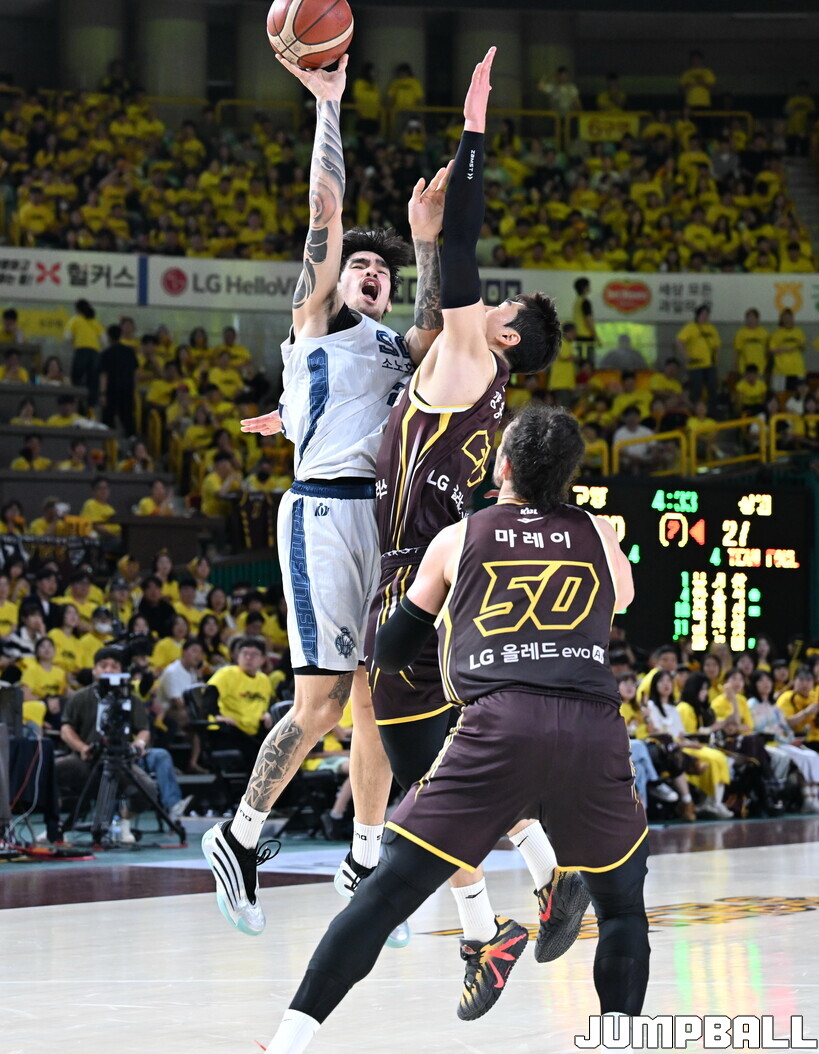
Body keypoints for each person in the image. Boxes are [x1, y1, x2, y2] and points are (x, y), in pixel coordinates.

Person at [263, 401, 648, 1053]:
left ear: (503, 466)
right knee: (621, 910)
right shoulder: (597, 532)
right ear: (568, 476)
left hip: (497, 727)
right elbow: (625, 598)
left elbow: (391, 650)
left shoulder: (459, 536)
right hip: (591, 729)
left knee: (386, 894)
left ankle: (287, 1043)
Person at [344, 46, 579, 983]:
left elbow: (465, 254)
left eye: (498, 303)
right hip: (428, 583)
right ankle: (531, 890)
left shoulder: (473, 360)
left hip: (411, 582)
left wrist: (475, 126)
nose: (484, 301)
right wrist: (421, 234)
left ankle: (505, 914)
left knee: (425, 771)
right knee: (434, 766)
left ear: (508, 331)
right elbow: (440, 295)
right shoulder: (463, 370)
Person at [201, 50, 446, 933]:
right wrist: (329, 105)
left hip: (382, 521)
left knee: (381, 697)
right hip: (320, 514)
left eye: (384, 269)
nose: (372, 272)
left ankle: (365, 859)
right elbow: (324, 212)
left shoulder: (392, 347)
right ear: (335, 278)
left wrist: (425, 240)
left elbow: (433, 330)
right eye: (360, 265)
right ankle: (239, 836)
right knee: (321, 705)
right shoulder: (312, 322)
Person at [57, 646, 190, 839]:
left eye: (114, 666)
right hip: (86, 758)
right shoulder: (80, 697)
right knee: (50, 771)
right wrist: (82, 747)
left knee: (148, 790)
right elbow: (65, 729)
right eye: (103, 666)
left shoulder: (131, 699)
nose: (108, 670)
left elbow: (143, 729)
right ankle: (54, 824)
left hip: (121, 760)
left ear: (121, 670)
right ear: (94, 670)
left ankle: (123, 822)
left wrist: (139, 744)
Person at [675, 304, 720, 410]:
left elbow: (717, 345)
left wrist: (717, 359)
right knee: (696, 389)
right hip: (696, 365)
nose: (705, 317)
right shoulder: (690, 327)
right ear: (697, 315)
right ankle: (696, 411)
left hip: (710, 365)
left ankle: (711, 411)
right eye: (703, 314)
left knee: (712, 388)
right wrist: (685, 355)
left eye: (707, 315)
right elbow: (679, 341)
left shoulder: (711, 328)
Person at [98, 323, 138, 435]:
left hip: (111, 390)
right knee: (127, 416)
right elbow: (135, 373)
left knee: (108, 417)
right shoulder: (129, 352)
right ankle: (132, 438)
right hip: (127, 389)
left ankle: (107, 438)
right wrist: (135, 391)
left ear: (109, 337)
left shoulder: (106, 353)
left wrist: (102, 393)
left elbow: (104, 375)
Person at [64, 298, 105, 407]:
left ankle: (77, 401)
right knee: (93, 380)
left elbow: (67, 337)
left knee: (76, 377)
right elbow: (104, 340)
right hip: (95, 353)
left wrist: (73, 343)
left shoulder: (75, 320)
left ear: (77, 309)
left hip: (81, 351)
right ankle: (91, 405)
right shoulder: (95, 322)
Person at [572, 276, 599, 368]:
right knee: (587, 364)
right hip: (586, 338)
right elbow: (589, 320)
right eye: (588, 286)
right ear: (585, 288)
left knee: (581, 363)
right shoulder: (585, 302)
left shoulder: (577, 302)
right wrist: (596, 336)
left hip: (579, 336)